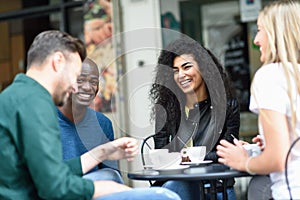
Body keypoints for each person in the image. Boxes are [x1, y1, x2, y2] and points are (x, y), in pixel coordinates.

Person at [0, 30, 181, 200]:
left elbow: (49, 173)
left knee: (110, 175)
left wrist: (102, 152)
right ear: (57, 62)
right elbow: (55, 187)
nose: (74, 86)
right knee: (164, 196)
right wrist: (104, 188)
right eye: (75, 75)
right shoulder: (36, 102)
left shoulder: (16, 96)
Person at [216, 0, 300, 199]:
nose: (255, 40)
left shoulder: (271, 76)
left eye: (260, 30)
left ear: (278, 34)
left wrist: (243, 161)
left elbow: (278, 158)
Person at [149, 37, 240, 200]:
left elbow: (228, 153)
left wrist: (184, 156)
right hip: (179, 184)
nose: (181, 75)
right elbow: (161, 154)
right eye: (176, 70)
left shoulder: (227, 106)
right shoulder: (167, 109)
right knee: (171, 188)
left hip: (216, 186)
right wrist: (194, 156)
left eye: (186, 67)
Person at [57, 57, 122, 183]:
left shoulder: (103, 124)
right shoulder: (44, 120)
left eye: (93, 82)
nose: (87, 87)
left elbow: (112, 175)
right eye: (80, 80)